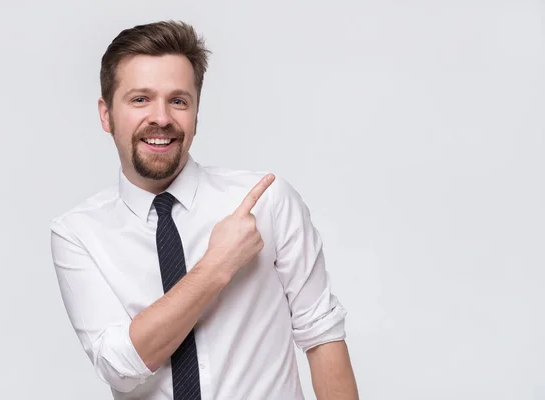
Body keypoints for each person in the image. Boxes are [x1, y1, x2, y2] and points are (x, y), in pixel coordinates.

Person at [49, 20, 359, 400]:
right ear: (106, 114)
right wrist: (217, 266)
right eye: (140, 99)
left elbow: (323, 337)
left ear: (196, 112)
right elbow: (120, 366)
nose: (161, 118)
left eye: (178, 100)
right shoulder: (79, 233)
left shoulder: (266, 200)